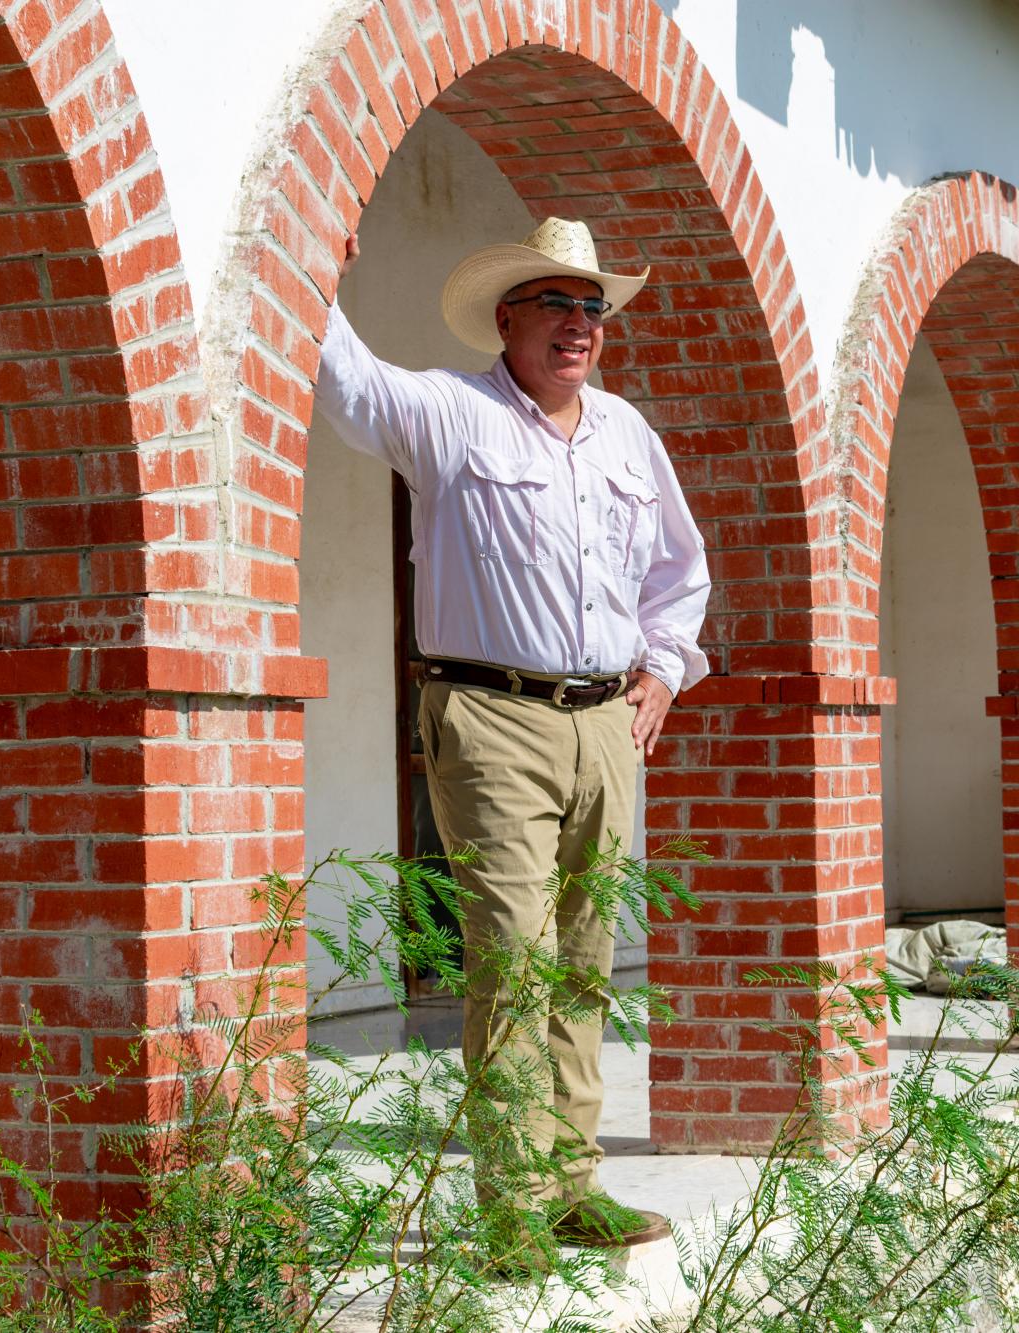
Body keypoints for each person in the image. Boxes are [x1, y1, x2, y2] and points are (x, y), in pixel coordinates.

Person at [313, 217, 711, 1253]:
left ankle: (575, 1184)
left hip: (605, 725)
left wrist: (662, 672)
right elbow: (351, 389)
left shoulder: (627, 435)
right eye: (555, 305)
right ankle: (515, 1206)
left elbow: (680, 571)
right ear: (507, 320)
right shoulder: (451, 415)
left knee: (585, 959)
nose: (578, 326)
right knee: (512, 958)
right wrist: (316, 271)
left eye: (591, 309)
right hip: (488, 716)